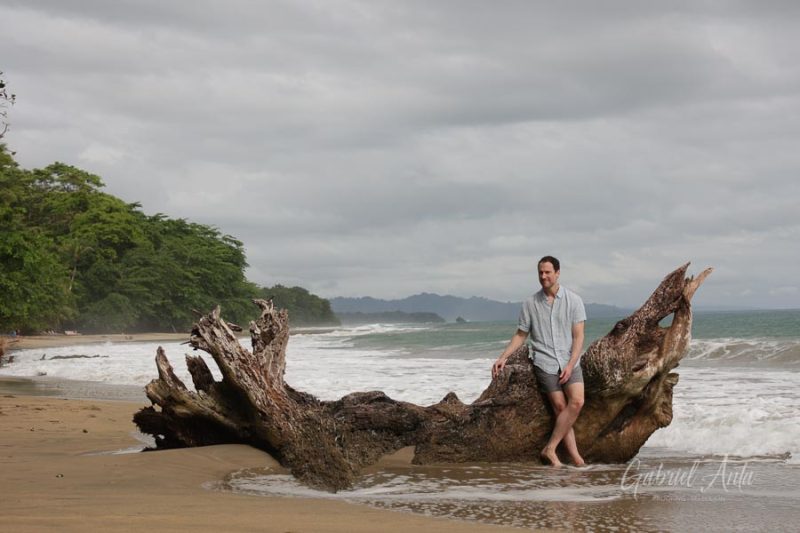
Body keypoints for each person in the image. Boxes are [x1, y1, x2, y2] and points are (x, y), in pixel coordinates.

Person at [492, 256, 586, 467]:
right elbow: (520, 334)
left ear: (558, 273)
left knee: (577, 401)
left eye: (547, 272)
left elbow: (579, 336)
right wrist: (503, 357)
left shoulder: (574, 301)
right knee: (561, 407)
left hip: (569, 360)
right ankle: (577, 459)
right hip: (544, 363)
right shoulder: (530, 303)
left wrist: (571, 364)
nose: (543, 276)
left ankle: (550, 448)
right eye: (540, 273)